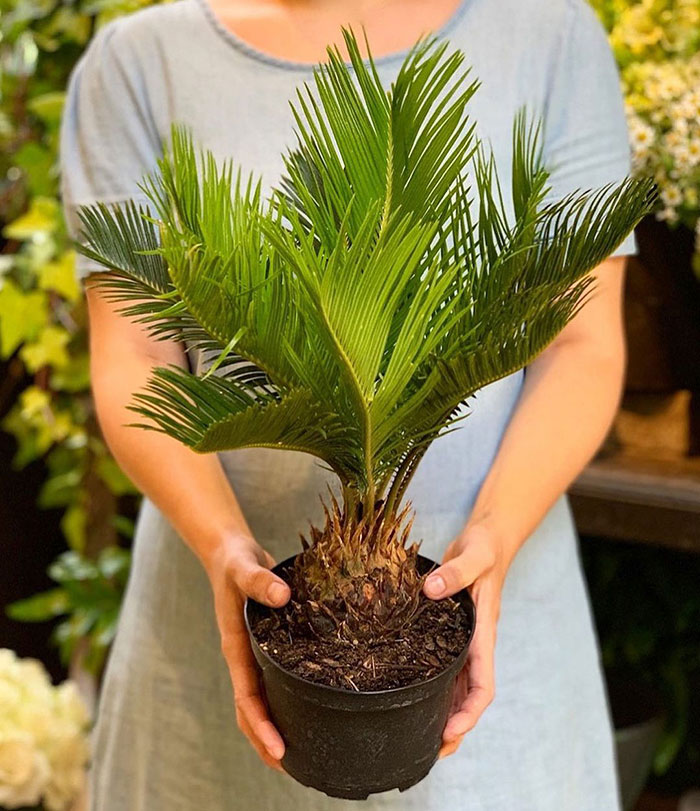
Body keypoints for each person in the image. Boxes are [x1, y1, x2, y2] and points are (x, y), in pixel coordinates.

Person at [59, 0, 637, 808]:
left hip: (484, 609)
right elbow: (133, 354)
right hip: (218, 614)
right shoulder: (137, 61)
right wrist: (227, 547)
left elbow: (582, 341)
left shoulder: (550, 30)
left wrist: (495, 536)